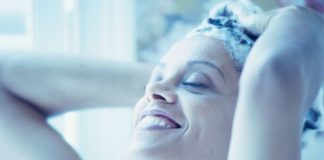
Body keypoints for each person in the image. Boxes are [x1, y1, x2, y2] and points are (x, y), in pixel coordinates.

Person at [0, 1, 323, 160]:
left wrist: (300, 19)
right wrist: (165, 93)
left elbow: (274, 76)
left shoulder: (271, 87)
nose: (151, 91)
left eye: (197, 82)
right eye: (151, 83)